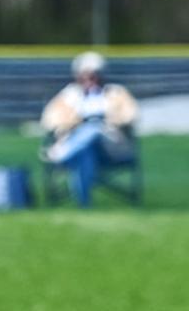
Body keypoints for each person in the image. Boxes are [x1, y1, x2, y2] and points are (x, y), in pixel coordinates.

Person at [40, 52, 139, 206]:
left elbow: (131, 115)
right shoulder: (69, 96)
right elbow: (49, 120)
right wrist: (74, 122)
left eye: (93, 75)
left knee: (94, 129)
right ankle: (85, 204)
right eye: (84, 76)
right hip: (79, 140)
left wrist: (107, 121)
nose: (89, 80)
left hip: (110, 144)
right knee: (86, 152)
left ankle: (63, 154)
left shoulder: (116, 93)